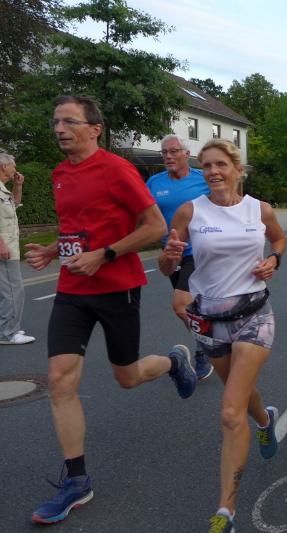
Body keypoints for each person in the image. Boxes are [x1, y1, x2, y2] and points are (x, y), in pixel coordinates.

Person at [27, 95, 197, 525]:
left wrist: (104, 255)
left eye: (69, 121)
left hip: (117, 287)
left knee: (127, 376)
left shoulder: (117, 169)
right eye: (56, 121)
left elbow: (155, 227)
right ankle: (76, 480)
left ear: (95, 128)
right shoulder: (60, 173)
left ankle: (174, 361)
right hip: (72, 289)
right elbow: (77, 229)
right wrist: (53, 250)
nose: (59, 129)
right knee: (59, 379)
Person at [160, 138, 286, 533]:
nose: (213, 172)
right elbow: (168, 264)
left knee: (231, 411)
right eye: (207, 166)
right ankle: (265, 420)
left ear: (237, 169)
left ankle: (225, 511)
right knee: (240, 393)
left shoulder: (259, 209)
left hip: (254, 316)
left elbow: (279, 239)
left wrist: (274, 259)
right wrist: (168, 259)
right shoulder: (190, 211)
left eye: (221, 165)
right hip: (210, 320)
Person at [148, 134, 214, 380]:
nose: (168, 156)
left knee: (181, 304)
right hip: (172, 254)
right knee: (194, 308)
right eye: (164, 152)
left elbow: (225, 201)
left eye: (174, 151)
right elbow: (142, 213)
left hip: (198, 251)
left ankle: (206, 347)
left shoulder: (202, 179)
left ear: (187, 154)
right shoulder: (154, 183)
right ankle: (207, 340)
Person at [0, 152, 35, 345]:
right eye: (13, 165)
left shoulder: (2, 189)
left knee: (6, 291)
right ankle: (8, 333)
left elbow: (14, 204)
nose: (15, 169)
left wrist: (18, 186)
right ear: (4, 167)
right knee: (13, 291)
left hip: (8, 245)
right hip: (5, 248)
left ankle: (6, 327)